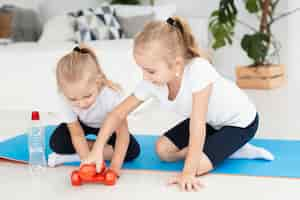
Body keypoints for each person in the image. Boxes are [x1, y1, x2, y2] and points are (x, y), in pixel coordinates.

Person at [82, 17, 273, 191]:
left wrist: (188, 172)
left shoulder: (198, 70)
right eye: (142, 70)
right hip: (211, 121)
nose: (144, 77)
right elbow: (117, 114)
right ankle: (218, 147)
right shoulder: (153, 82)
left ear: (177, 65)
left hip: (239, 123)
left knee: (195, 166)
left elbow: (197, 125)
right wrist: (97, 149)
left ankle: (234, 148)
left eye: (150, 71)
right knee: (162, 150)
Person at [48, 45, 141, 176]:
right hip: (83, 125)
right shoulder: (65, 97)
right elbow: (77, 134)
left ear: (98, 82)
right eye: (73, 99)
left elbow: (122, 134)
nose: (81, 103)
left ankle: (79, 155)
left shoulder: (110, 96)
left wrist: (115, 167)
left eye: (87, 96)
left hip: (108, 127)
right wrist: (88, 162)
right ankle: (87, 155)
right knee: (56, 142)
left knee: (132, 151)